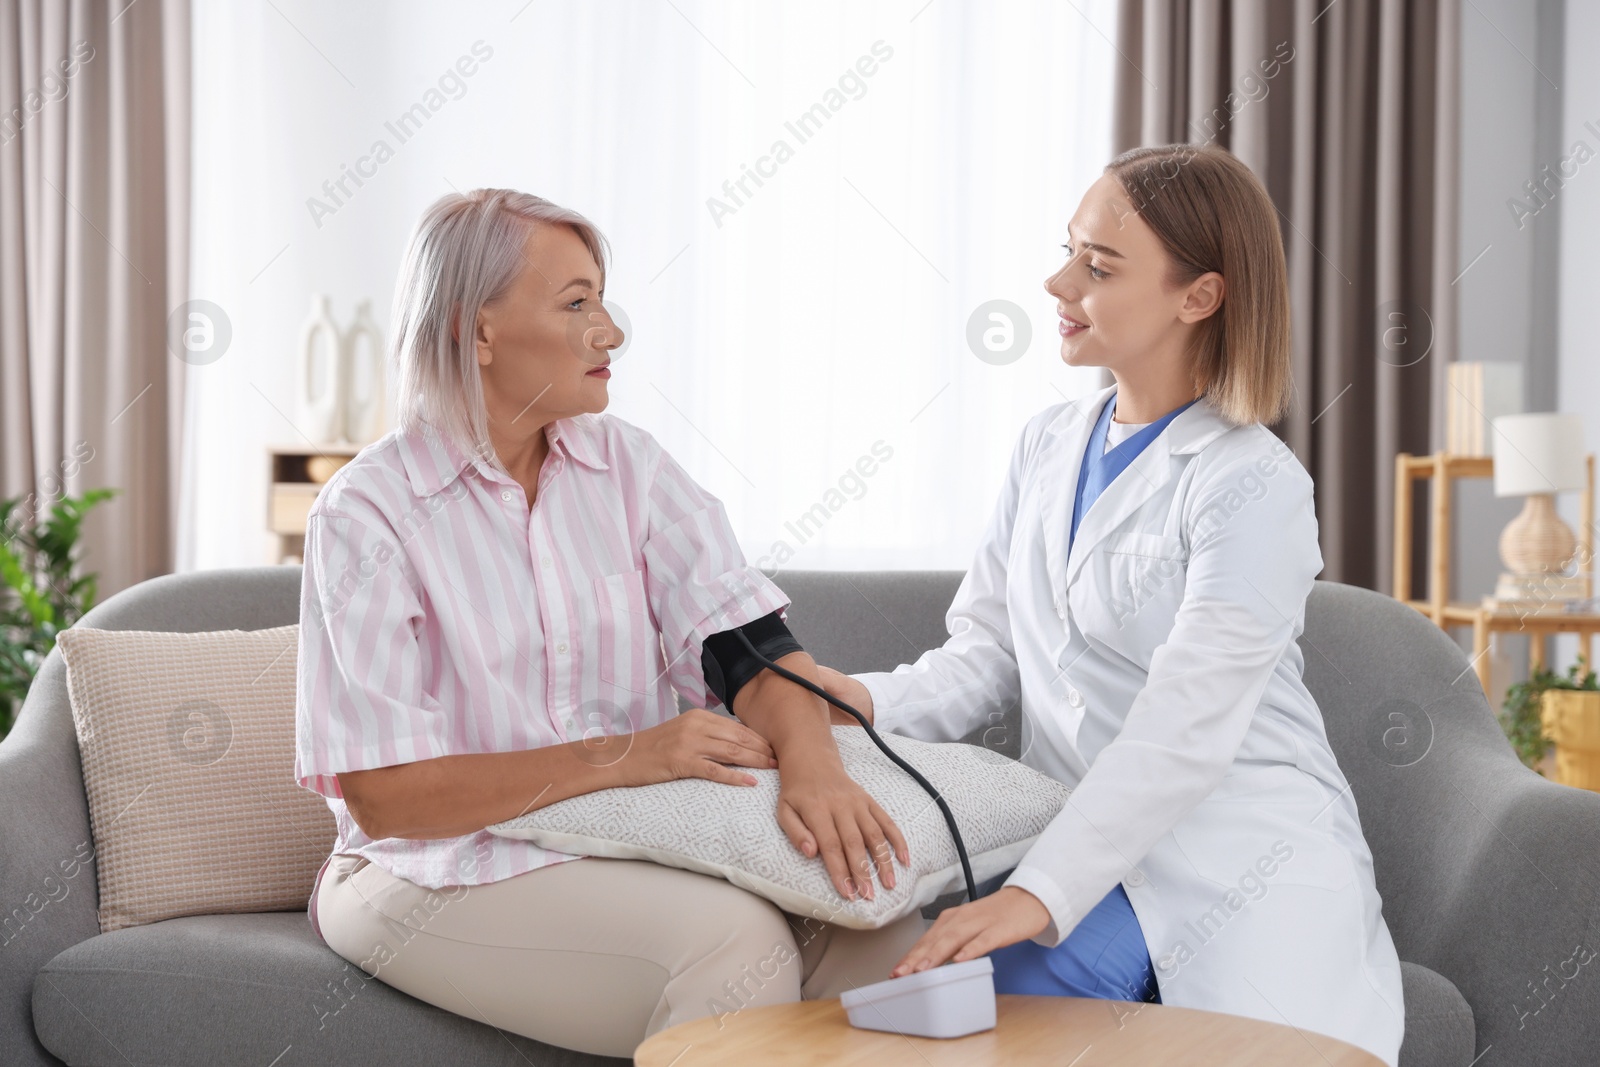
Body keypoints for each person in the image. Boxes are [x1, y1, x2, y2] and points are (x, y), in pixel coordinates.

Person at [293, 188, 928, 1059]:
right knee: (734, 946)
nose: (611, 331)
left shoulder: (629, 466)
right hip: (425, 868)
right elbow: (385, 794)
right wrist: (630, 755)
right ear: (475, 331)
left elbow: (751, 649)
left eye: (602, 297)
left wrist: (818, 770)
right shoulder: (366, 514)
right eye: (576, 303)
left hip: (634, 835)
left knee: (898, 941)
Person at [815, 144, 1406, 1066]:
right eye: (1069, 252)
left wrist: (1034, 896)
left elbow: (1185, 728)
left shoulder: (1253, 483)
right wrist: (839, 700)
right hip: (1090, 852)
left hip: (1234, 855)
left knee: (1016, 1022)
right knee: (939, 1028)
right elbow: (983, 656)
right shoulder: (1046, 445)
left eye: (1097, 266)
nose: (1057, 282)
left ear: (1198, 296)